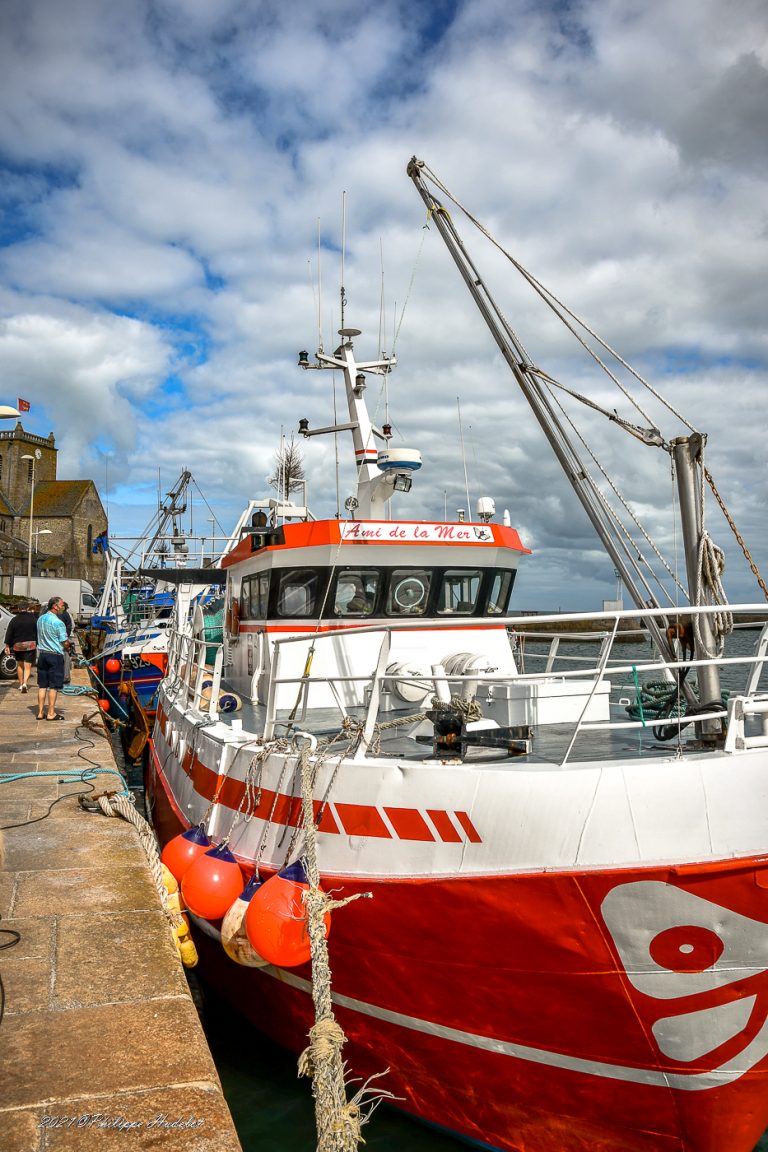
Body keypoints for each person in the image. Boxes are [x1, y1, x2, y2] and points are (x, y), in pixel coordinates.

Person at [36, 596, 70, 721]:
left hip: (42, 654)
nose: (63, 607)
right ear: (55, 606)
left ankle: (40, 713)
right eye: (61, 605)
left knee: (42, 685)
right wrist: (68, 645)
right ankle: (51, 713)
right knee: (54, 686)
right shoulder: (58, 623)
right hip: (55, 656)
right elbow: (64, 642)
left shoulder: (40, 619)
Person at [3, 603, 39, 693]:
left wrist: (7, 645)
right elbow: (38, 631)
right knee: (28, 666)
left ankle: (20, 684)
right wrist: (37, 642)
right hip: (30, 644)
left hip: (18, 645)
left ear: (19, 609)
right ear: (27, 608)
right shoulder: (33, 619)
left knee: (19, 665)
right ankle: (25, 684)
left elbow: (9, 633)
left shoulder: (14, 620)